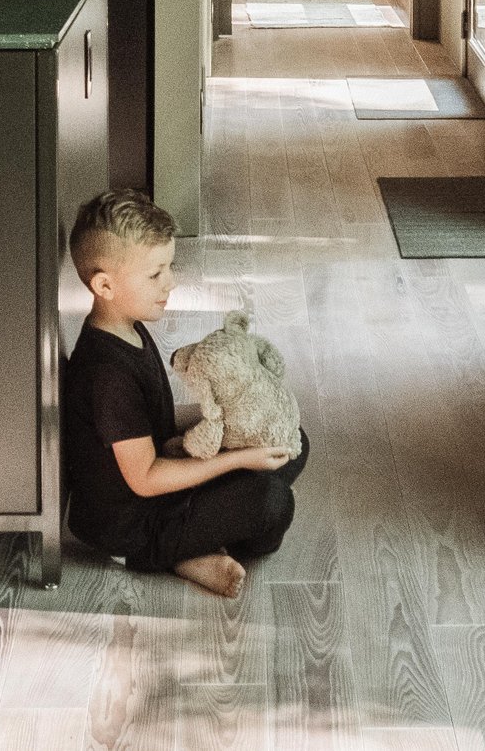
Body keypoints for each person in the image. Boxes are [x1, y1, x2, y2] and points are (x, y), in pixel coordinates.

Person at [61, 189, 309, 598]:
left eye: (169, 267)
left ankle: (200, 542)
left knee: (293, 439)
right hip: (133, 526)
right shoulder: (107, 375)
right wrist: (238, 459)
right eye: (155, 273)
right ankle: (175, 554)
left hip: (163, 481)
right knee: (272, 501)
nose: (170, 282)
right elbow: (145, 479)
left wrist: (231, 418)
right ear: (104, 284)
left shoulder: (128, 326)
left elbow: (154, 419)